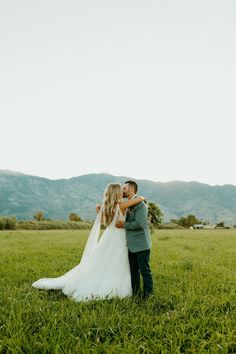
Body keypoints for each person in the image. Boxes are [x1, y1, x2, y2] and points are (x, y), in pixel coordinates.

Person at [32, 183, 145, 302]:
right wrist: (142, 198)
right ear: (116, 193)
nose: (123, 191)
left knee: (106, 261)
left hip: (108, 237)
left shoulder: (106, 207)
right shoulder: (121, 206)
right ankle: (119, 288)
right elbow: (137, 200)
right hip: (119, 238)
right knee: (118, 261)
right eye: (121, 190)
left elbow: (103, 222)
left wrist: (99, 209)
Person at [116, 181, 154, 299]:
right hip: (131, 245)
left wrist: (124, 225)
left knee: (145, 271)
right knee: (134, 272)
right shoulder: (129, 203)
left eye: (124, 188)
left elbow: (139, 224)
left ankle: (149, 294)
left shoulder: (140, 204)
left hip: (141, 244)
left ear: (131, 189)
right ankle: (136, 293)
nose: (122, 190)